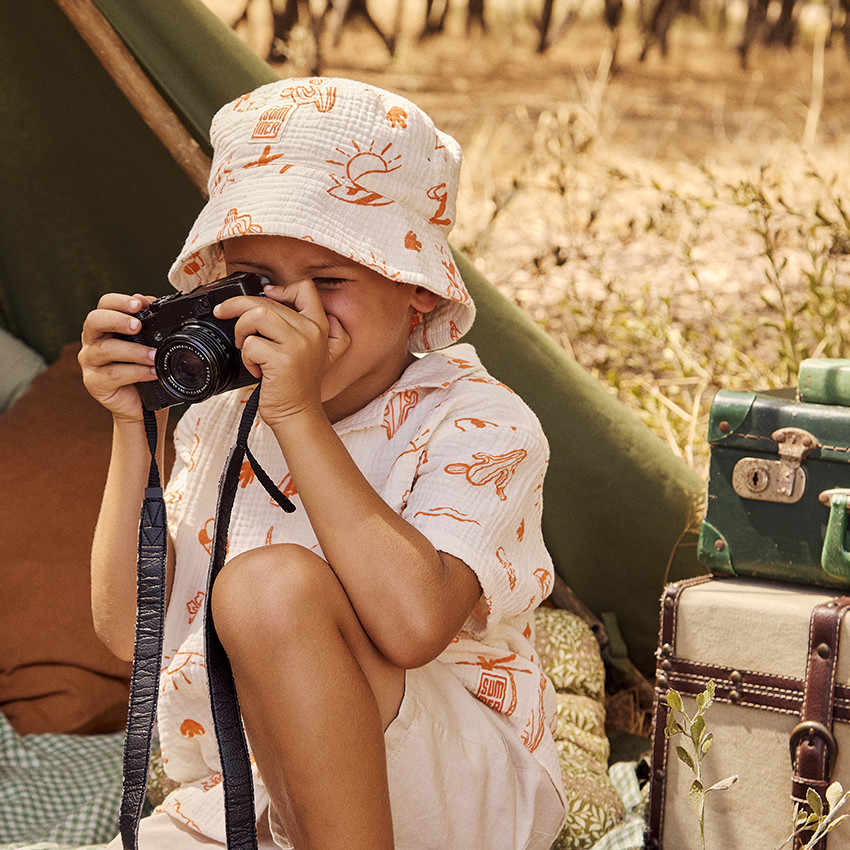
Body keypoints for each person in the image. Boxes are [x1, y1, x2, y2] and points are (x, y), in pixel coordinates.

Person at [80, 77, 567, 850]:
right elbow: (134, 635)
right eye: (258, 283)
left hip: (449, 791)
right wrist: (132, 427)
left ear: (417, 290)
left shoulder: (479, 421)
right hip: (260, 789)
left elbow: (412, 627)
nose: (289, 313)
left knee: (270, 585)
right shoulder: (220, 415)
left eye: (331, 280)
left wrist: (298, 416)